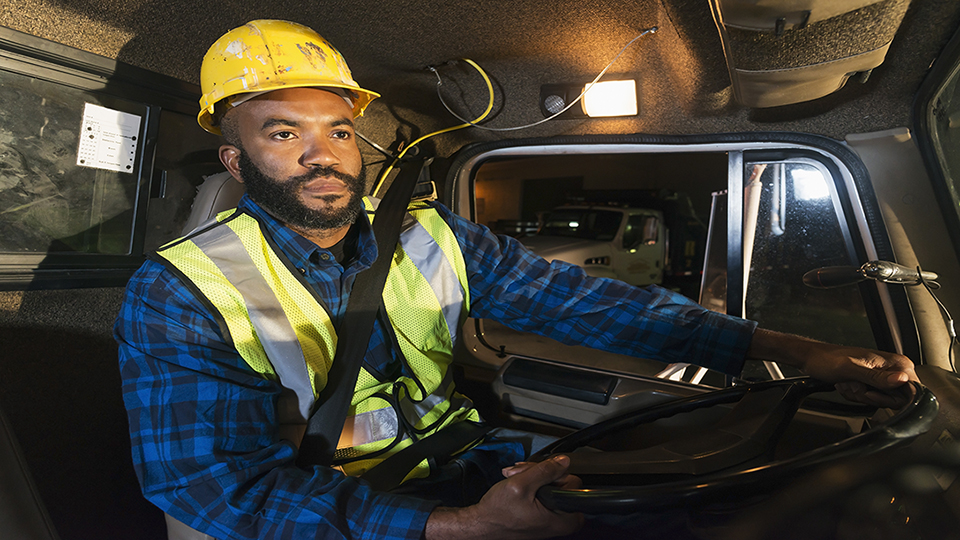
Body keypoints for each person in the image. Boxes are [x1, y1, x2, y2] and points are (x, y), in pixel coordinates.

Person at [115, 19, 918, 540]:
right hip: (336, 513)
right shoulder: (181, 290)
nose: (321, 155)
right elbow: (216, 487)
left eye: (338, 131)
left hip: (464, 463)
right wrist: (459, 528)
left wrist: (802, 352)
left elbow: (594, 306)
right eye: (283, 132)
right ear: (235, 158)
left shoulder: (427, 235)